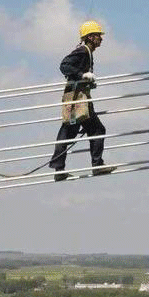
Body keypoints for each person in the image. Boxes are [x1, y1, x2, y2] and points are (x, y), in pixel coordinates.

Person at [48, 22, 111, 181]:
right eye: (98, 35)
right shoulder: (83, 51)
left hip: (79, 98)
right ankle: (97, 165)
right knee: (95, 130)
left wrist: (86, 79)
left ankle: (59, 169)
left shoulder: (87, 52)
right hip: (78, 99)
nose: (101, 39)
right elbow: (64, 65)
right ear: (90, 37)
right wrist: (82, 75)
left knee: (69, 133)